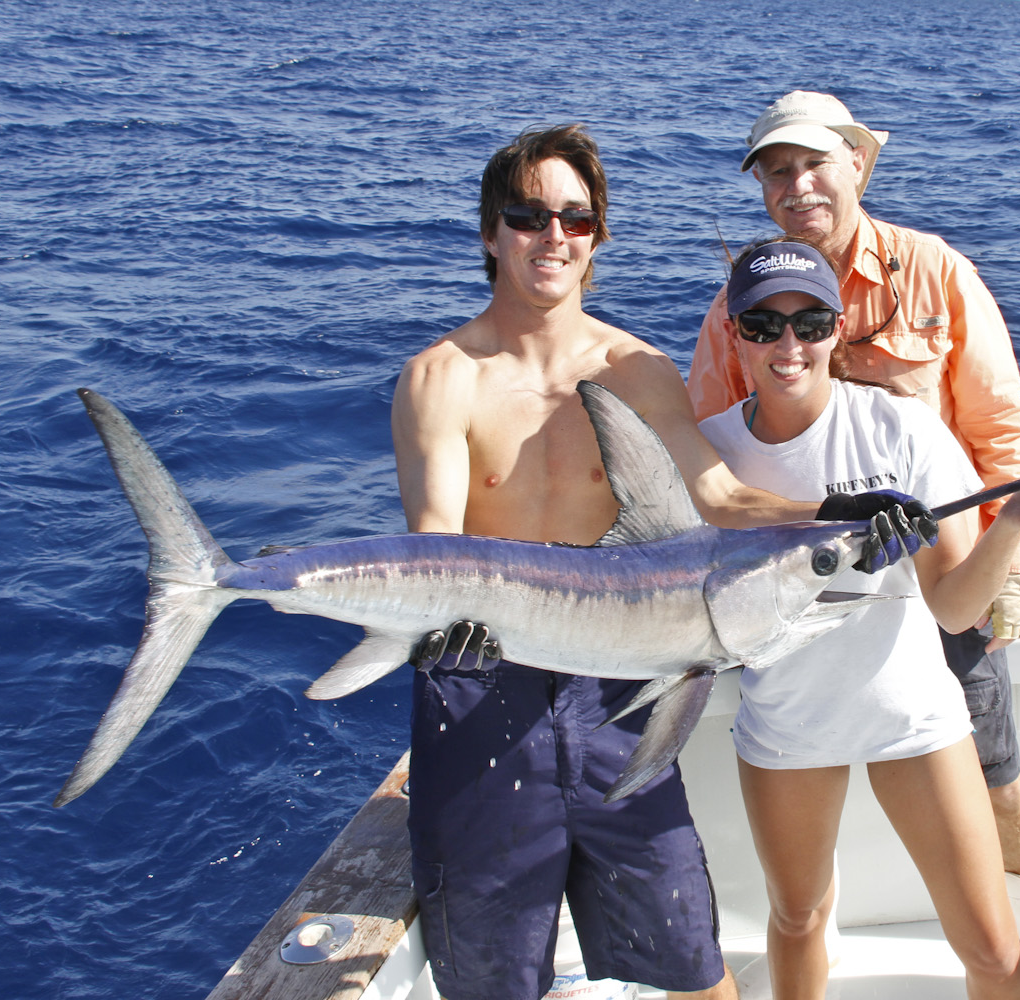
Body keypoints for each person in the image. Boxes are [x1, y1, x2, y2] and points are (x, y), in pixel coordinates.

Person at [390, 124, 916, 1000]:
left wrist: (835, 512)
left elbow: (720, 500)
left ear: (597, 237)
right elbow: (437, 543)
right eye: (527, 217)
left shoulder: (635, 368)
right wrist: (439, 636)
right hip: (484, 685)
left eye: (576, 218)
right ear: (489, 233)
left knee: (694, 969)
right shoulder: (440, 378)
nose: (553, 237)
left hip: (616, 692)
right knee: (489, 983)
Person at [686, 91, 1020, 998]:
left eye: (811, 323)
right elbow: (702, 478)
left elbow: (1002, 431)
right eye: (764, 324)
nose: (790, 344)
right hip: (792, 678)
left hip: (933, 589)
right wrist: (828, 514)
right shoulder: (723, 350)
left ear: (858, 162)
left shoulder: (933, 275)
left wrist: (1011, 542)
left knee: (1002, 784)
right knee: (797, 911)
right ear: (740, 328)